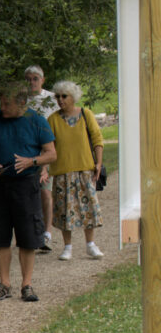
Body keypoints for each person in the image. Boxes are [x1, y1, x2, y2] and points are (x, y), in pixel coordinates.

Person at [0, 82, 56, 302]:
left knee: (28, 236)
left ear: (22, 103)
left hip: (26, 184)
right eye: (1, 102)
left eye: (7, 104)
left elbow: (51, 154)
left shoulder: (37, 120)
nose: (2, 107)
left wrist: (32, 161)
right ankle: (4, 284)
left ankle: (27, 285)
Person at [46, 81, 105, 261]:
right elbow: (48, 146)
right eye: (58, 96)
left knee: (89, 208)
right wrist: (44, 168)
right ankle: (67, 247)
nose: (60, 100)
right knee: (65, 210)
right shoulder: (53, 119)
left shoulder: (86, 114)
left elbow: (97, 139)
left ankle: (90, 244)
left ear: (73, 97)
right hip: (62, 172)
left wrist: (98, 163)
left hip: (85, 170)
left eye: (64, 96)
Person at [25, 65, 60, 252]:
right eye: (29, 79)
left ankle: (47, 232)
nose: (32, 82)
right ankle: (31, 232)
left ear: (42, 80)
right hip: (26, 150)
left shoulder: (52, 99)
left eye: (35, 78)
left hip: (46, 150)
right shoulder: (22, 100)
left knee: (45, 191)